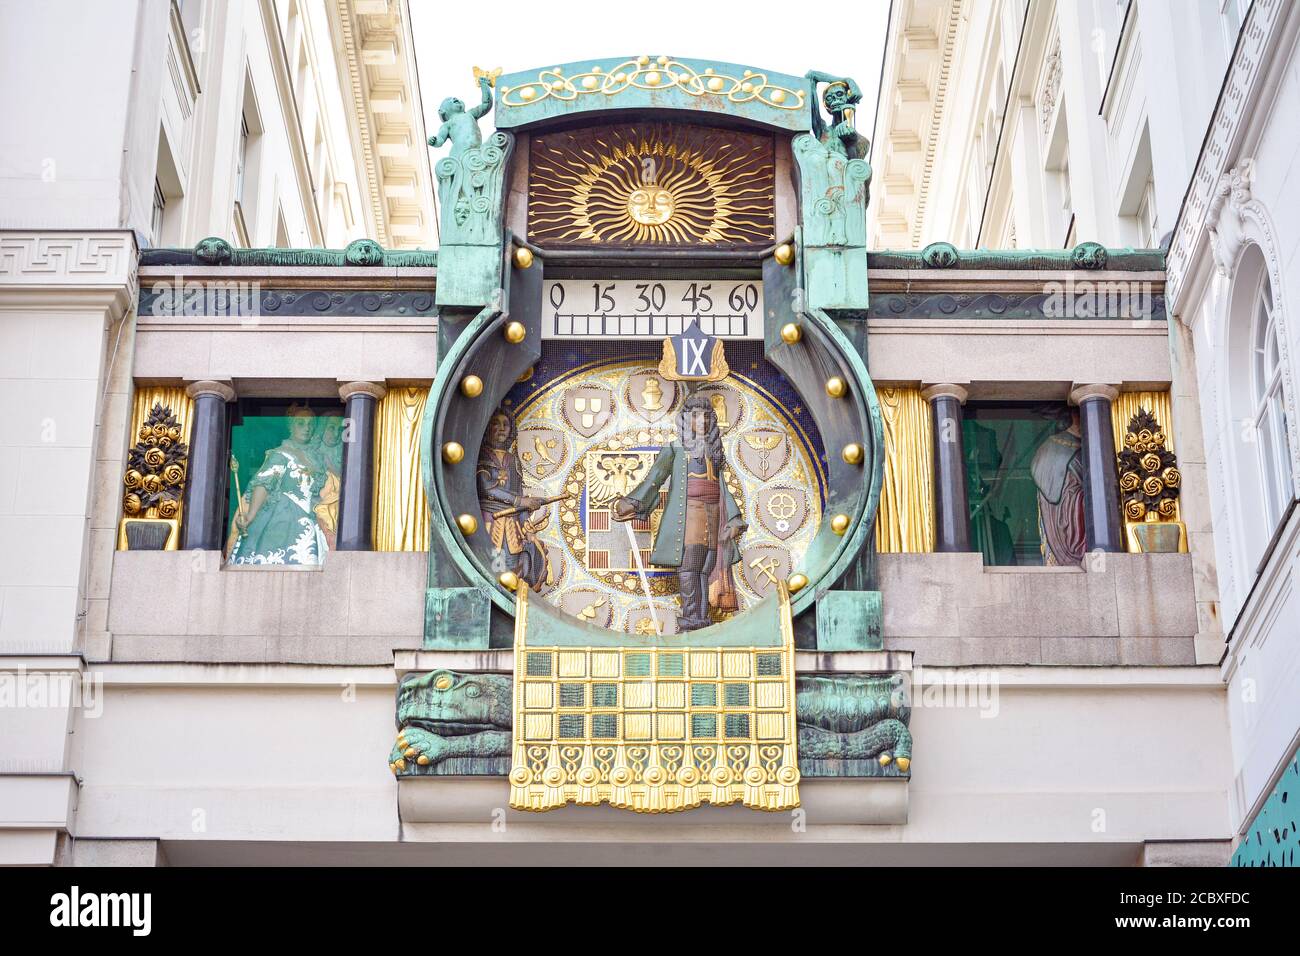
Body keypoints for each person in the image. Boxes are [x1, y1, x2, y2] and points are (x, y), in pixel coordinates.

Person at [613, 393, 746, 631]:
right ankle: (691, 620)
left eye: (707, 416)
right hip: (691, 515)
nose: (702, 421)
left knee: (707, 567)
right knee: (691, 565)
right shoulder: (675, 449)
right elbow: (655, 479)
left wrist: (734, 519)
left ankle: (703, 619)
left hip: (713, 514)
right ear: (686, 419)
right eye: (696, 416)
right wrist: (634, 502)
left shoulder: (714, 453)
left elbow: (722, 488)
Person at [228, 406, 330, 566]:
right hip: (283, 520)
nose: (307, 428)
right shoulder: (280, 454)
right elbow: (263, 484)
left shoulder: (315, 458)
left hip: (312, 518)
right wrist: (251, 515)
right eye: (300, 423)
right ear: (290, 426)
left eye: (311, 424)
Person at [477, 409, 550, 590]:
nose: (502, 429)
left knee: (516, 563)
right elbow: (485, 487)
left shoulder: (513, 460)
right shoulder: (483, 456)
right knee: (493, 567)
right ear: (488, 429)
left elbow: (519, 491)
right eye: (496, 424)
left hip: (513, 525)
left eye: (506, 424)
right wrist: (520, 501)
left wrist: (527, 524)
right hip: (490, 520)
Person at [1031, 409, 1087, 566]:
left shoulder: (1087, 444)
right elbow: (1060, 495)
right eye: (1078, 414)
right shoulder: (1052, 448)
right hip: (1066, 528)